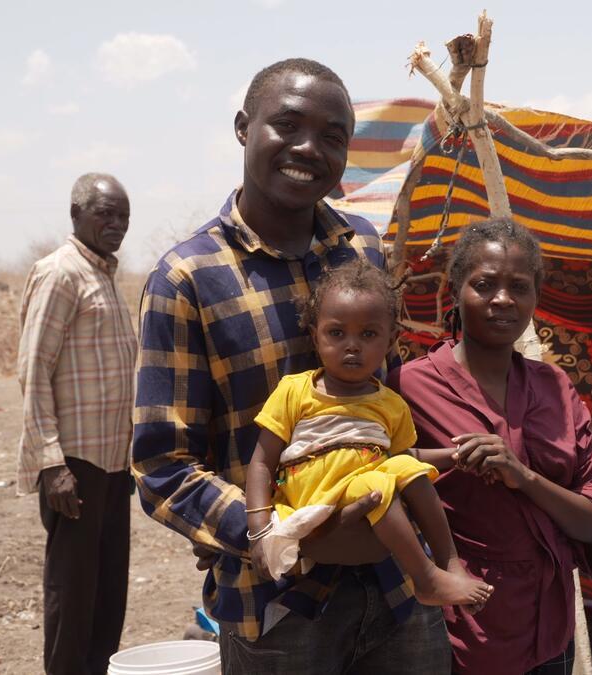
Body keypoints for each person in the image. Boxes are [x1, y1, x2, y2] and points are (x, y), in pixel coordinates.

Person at [132, 58, 450, 673]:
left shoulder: (361, 246)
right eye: (288, 125)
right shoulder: (187, 278)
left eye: (333, 136)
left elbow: (386, 395)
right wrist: (269, 533)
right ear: (243, 128)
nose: (310, 148)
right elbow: (162, 466)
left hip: (398, 589)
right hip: (277, 608)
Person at [388, 218, 592, 674]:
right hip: (464, 629)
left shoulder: (553, 385)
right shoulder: (410, 387)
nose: (503, 299)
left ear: (535, 296)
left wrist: (525, 478)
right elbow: (375, 477)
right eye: (484, 284)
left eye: (520, 286)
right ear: (456, 288)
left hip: (550, 624)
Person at [244, 259, 492, 610]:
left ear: (391, 340)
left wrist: (453, 456)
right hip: (314, 490)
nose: (352, 345)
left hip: (369, 485)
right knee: (378, 484)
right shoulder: (295, 390)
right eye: (336, 333)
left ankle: (449, 562)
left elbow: (404, 458)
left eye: (368, 334)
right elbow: (261, 462)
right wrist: (258, 527)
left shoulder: (390, 403)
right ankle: (424, 578)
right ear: (315, 336)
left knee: (411, 472)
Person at [17, 172, 136, 674]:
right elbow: (33, 368)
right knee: (73, 596)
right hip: (76, 465)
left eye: (123, 216)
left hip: (111, 463)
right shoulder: (60, 272)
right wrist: (51, 464)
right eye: (105, 214)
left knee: (108, 594)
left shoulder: (103, 274)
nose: (116, 225)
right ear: (76, 215)